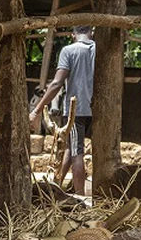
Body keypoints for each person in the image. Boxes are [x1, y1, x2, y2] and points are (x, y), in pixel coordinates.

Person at [29, 25, 95, 195]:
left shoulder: (68, 51)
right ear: (91, 33)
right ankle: (55, 187)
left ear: (73, 35)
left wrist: (37, 109)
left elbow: (57, 83)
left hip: (76, 110)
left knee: (77, 153)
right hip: (95, 109)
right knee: (70, 148)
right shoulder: (97, 49)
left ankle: (80, 197)